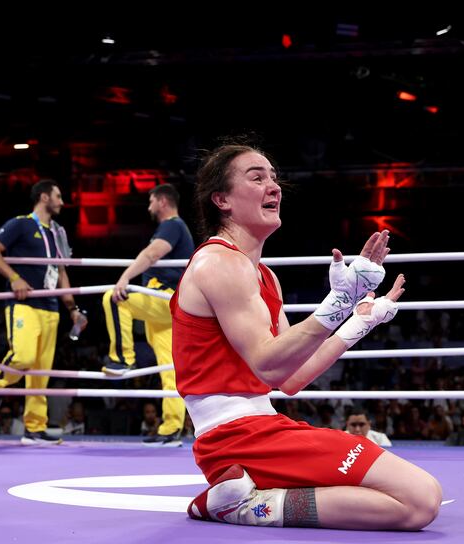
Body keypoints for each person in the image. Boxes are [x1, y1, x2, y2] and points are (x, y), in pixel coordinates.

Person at [176, 144, 441, 530]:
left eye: (273, 176)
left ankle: (248, 500)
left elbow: (290, 377)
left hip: (261, 428)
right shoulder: (218, 262)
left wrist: (357, 321)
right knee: (419, 500)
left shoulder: (266, 276)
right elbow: (267, 363)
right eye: (257, 177)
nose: (274, 186)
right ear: (222, 200)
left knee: (420, 497)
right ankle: (246, 508)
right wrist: (338, 300)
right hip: (234, 438)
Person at [0, 180, 86, 445]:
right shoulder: (21, 224)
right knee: (24, 356)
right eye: (58, 196)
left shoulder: (59, 232)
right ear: (43, 197)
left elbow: (61, 271)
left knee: (41, 374)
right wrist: (14, 277)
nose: (62, 202)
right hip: (24, 305)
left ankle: (34, 429)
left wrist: (72, 309)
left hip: (51, 308)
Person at [102, 184, 194, 447]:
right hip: (167, 304)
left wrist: (125, 277)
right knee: (170, 369)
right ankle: (171, 428)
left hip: (161, 297)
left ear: (163, 201)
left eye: (151, 200)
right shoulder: (177, 226)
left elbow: (153, 253)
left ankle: (122, 357)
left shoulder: (172, 225)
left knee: (115, 298)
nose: (149, 206)